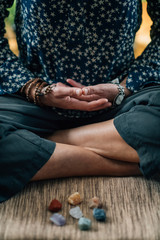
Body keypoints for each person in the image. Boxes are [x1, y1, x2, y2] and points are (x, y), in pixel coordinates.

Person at [0, 0, 160, 203]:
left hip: (122, 101)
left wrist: (123, 88)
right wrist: (37, 90)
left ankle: (40, 143)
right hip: (31, 102)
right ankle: (127, 162)